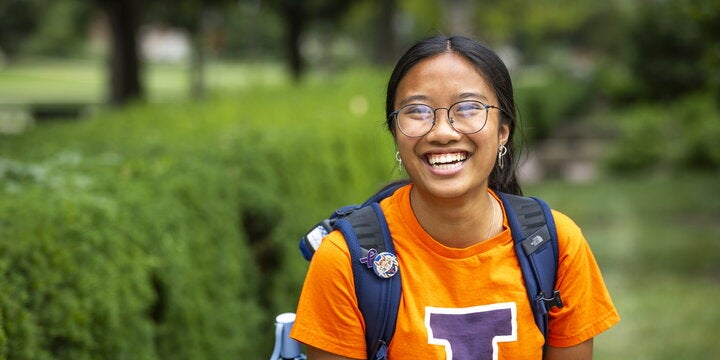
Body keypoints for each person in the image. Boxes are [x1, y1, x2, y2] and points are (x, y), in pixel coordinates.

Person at [290, 35, 619, 359]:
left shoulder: (557, 245)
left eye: (468, 108)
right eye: (417, 111)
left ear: (503, 130)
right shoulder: (345, 259)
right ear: (395, 132)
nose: (442, 132)